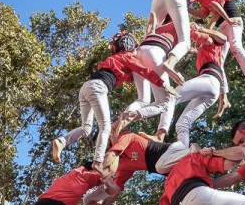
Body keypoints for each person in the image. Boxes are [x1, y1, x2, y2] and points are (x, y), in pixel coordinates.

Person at [52, 32, 176, 168]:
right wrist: (163, 84)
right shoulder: (128, 56)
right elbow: (145, 71)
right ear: (129, 46)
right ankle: (98, 162)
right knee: (105, 128)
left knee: (86, 128)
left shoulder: (115, 58)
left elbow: (129, 76)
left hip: (86, 88)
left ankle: (62, 141)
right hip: (98, 88)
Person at [147, 24, 228, 172]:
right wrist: (224, 99)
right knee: (182, 124)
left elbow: (223, 38)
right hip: (212, 90)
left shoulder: (212, 41)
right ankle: (184, 154)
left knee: (171, 97)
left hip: (209, 80)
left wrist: (203, 30)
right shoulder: (204, 50)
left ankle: (160, 134)